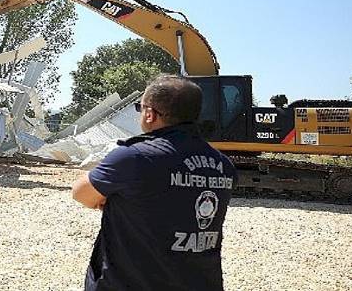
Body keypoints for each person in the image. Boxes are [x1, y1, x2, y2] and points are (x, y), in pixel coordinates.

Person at [72, 74, 237, 290]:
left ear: (150, 114)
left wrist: (116, 201)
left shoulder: (134, 157)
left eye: (140, 109)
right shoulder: (223, 164)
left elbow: (80, 193)